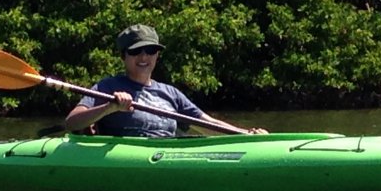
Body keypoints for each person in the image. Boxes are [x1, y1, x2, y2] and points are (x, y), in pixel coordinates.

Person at [65, 24, 267, 137]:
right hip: (128, 155)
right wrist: (109, 108)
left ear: (157, 55)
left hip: (167, 152)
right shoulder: (107, 87)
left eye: (151, 51)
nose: (144, 57)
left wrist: (245, 134)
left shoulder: (170, 93)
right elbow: (72, 122)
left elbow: (207, 124)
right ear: (123, 56)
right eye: (136, 52)